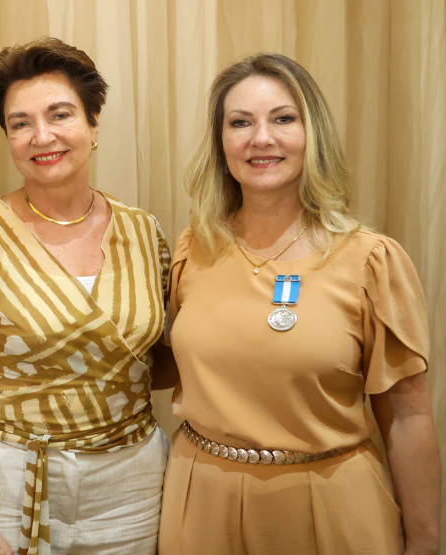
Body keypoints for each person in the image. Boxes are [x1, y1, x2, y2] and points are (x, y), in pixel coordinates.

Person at [157, 53, 441, 554]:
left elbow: (408, 415)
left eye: (283, 119)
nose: (260, 138)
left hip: (330, 504)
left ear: (314, 134)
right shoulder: (192, 249)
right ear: (221, 142)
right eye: (240, 122)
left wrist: (424, 541)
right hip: (199, 503)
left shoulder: (370, 260)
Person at [0, 37, 171, 555]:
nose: (42, 136)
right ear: (7, 136)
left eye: (60, 115)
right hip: (7, 486)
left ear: (94, 123)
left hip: (133, 483)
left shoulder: (145, 233)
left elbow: (164, 357)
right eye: (20, 123)